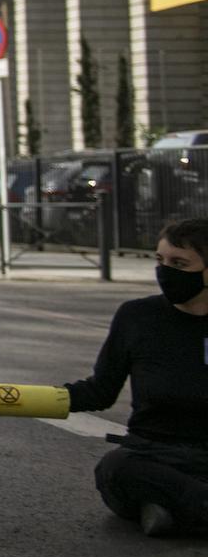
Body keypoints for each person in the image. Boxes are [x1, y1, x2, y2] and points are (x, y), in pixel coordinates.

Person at [60, 217, 208, 536]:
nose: (165, 271)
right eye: (160, 260)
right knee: (115, 469)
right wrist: (32, 399)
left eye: (179, 263)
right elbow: (100, 391)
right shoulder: (137, 316)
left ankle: (168, 510)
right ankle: (184, 509)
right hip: (153, 454)